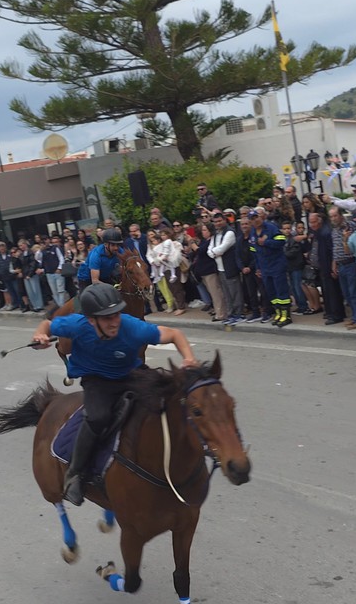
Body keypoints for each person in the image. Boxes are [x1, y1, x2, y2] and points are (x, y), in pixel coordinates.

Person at [31, 284, 196, 505]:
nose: (114, 321)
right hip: (97, 380)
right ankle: (76, 474)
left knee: (168, 398)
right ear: (91, 320)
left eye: (117, 314)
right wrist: (40, 335)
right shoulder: (77, 325)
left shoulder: (132, 327)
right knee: (97, 417)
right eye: (107, 317)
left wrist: (188, 359)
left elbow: (175, 334)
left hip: (132, 374)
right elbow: (48, 325)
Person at [248, 209, 291, 327]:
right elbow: (253, 251)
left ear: (260, 217)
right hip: (264, 267)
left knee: (281, 290)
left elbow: (281, 241)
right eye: (252, 219)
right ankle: (278, 313)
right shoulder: (252, 232)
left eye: (256, 217)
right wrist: (257, 268)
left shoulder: (271, 227)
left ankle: (286, 315)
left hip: (277, 265)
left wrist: (266, 242)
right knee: (271, 292)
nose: (255, 220)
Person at [207, 212, 243, 326]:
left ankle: (238, 314)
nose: (217, 223)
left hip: (229, 267)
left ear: (224, 220)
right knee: (226, 293)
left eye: (219, 221)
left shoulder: (230, 232)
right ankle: (231, 314)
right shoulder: (215, 234)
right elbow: (210, 250)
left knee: (235, 292)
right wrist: (214, 253)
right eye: (215, 221)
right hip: (220, 268)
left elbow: (222, 248)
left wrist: (214, 252)